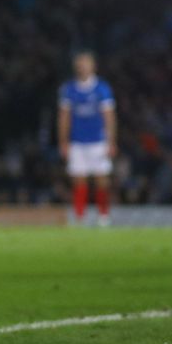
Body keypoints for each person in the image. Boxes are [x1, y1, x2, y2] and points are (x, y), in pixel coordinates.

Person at [58, 51, 117, 226]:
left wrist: (111, 141)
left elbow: (109, 116)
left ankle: (103, 216)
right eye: (80, 64)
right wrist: (63, 141)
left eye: (86, 63)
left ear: (93, 66)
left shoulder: (102, 89)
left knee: (102, 179)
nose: (82, 67)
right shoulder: (68, 89)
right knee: (78, 179)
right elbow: (64, 117)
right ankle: (79, 216)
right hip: (77, 141)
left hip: (98, 141)